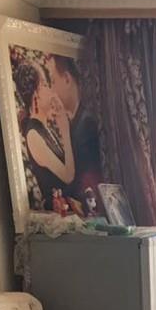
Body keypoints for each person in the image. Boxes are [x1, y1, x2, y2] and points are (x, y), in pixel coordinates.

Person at [14, 59, 74, 212]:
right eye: (46, 85)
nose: (52, 92)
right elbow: (68, 176)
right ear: (36, 94)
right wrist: (65, 130)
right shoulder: (34, 135)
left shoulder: (45, 129)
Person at [46, 55, 102, 205]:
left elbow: (84, 183)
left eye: (53, 81)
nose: (52, 90)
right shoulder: (74, 122)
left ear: (66, 79)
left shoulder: (86, 124)